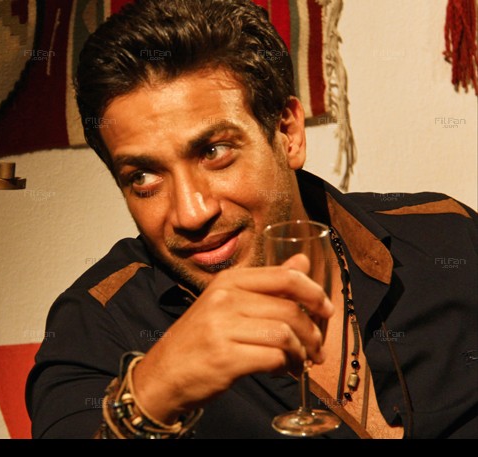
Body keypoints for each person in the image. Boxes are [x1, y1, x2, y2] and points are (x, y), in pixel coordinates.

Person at [25, 0, 478, 439]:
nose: (191, 213)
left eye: (214, 152)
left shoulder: (450, 239)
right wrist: (153, 393)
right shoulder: (97, 323)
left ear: (288, 133)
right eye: (143, 177)